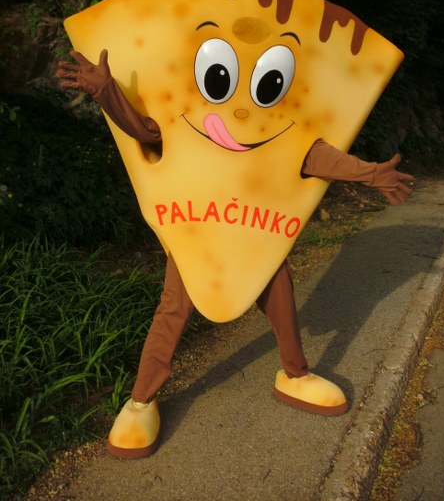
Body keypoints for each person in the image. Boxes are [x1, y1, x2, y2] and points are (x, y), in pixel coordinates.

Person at [57, 50, 414, 459]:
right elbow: (143, 129)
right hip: (196, 235)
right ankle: (141, 401)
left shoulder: (278, 125)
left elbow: (314, 155)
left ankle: (295, 375)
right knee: (173, 309)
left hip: (256, 236)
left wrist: (371, 173)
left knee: (279, 295)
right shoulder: (184, 117)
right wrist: (106, 92)